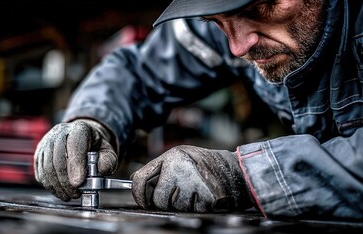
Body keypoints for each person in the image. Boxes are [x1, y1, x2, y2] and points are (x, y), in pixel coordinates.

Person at [34, 0, 363, 220]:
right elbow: (138, 71)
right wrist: (92, 119)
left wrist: (248, 175)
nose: (237, 47)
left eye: (261, 6)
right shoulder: (231, 24)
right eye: (217, 21)